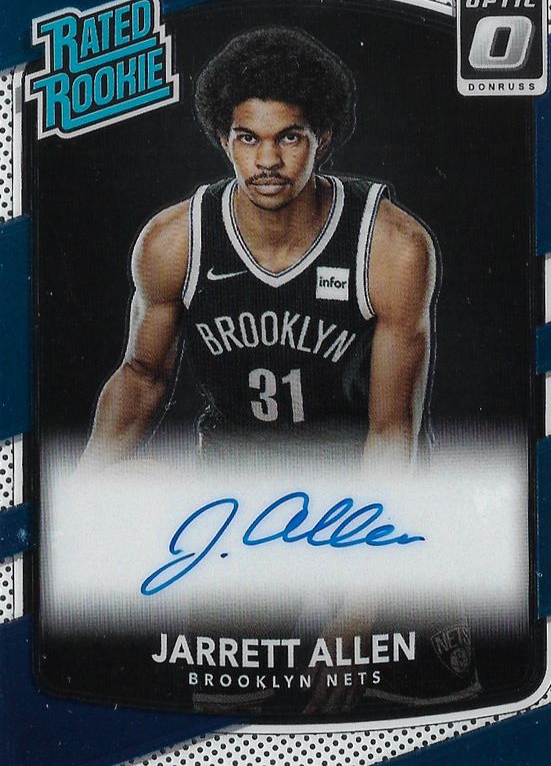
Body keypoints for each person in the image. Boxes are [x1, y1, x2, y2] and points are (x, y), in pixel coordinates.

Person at [82, 26, 437, 470]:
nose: (268, 161)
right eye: (249, 138)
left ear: (322, 138)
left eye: (289, 137)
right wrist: (82, 488)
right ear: (224, 140)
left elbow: (392, 431)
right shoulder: (175, 241)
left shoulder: (390, 246)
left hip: (349, 483)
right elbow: (141, 379)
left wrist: (363, 515)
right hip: (231, 482)